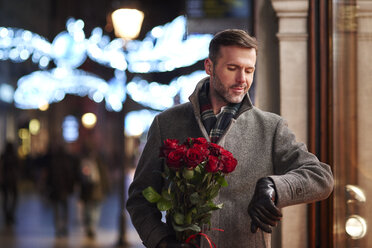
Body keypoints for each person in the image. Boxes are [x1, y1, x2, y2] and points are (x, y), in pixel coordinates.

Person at [126, 29, 334, 248]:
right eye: (232, 68)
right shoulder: (166, 123)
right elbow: (140, 200)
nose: (242, 79)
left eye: (249, 70)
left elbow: (321, 178)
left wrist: (273, 186)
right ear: (209, 67)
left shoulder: (271, 127)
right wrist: (162, 242)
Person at [78, 145, 109, 239]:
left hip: (88, 190)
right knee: (95, 208)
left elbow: (79, 177)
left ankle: (90, 226)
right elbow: (104, 176)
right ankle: (92, 226)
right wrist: (106, 188)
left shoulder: (83, 161)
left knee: (89, 208)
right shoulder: (99, 161)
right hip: (97, 190)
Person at [0, 141, 20, 226]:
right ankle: (9, 214)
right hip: (11, 180)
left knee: (6, 198)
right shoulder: (13, 157)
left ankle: (8, 214)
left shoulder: (4, 157)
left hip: (6, 180)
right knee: (12, 198)